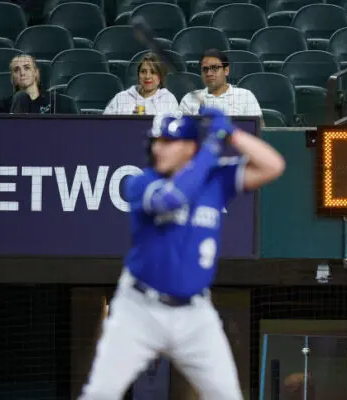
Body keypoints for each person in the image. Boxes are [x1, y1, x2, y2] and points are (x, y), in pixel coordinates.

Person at [79, 106, 285, 399]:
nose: (158, 148)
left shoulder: (214, 179)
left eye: (168, 142)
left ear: (189, 147)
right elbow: (172, 200)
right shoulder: (143, 182)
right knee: (100, 393)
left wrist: (232, 133)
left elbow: (273, 166)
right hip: (139, 309)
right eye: (157, 141)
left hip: (195, 315)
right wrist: (210, 151)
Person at [178, 49, 263, 121]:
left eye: (215, 68)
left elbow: (258, 129)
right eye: (205, 69)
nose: (209, 73)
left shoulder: (245, 96)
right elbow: (180, 132)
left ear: (226, 70)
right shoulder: (190, 98)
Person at [103, 52, 179, 115]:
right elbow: (105, 126)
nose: (147, 76)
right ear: (138, 74)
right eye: (143, 71)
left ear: (161, 76)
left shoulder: (169, 99)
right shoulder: (121, 98)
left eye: (153, 72)